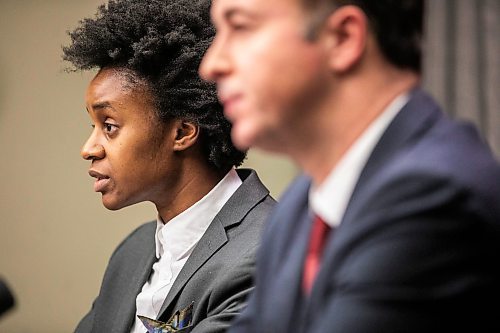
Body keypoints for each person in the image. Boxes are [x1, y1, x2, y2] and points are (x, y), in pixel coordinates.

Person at [200, 0, 500, 332]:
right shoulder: (301, 203)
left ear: (343, 38)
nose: (211, 65)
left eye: (240, 27)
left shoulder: (432, 195)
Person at [63, 0, 275, 332]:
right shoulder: (133, 250)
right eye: (92, 126)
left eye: (109, 126)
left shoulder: (268, 251)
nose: (88, 149)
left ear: (182, 132)